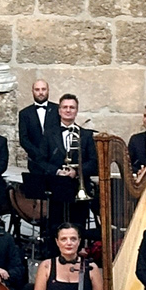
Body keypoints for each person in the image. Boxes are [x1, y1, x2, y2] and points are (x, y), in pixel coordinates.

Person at [45, 94, 98, 232]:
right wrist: (57, 171)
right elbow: (40, 160)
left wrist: (77, 171)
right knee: (55, 227)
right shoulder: (49, 134)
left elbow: (93, 163)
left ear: (76, 110)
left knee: (78, 226)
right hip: (57, 188)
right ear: (59, 110)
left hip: (78, 188)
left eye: (72, 107)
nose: (68, 110)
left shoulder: (86, 135)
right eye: (65, 107)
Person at [18, 79, 62, 201]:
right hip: (35, 163)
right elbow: (24, 139)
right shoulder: (24, 113)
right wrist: (38, 155)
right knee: (37, 200)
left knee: (56, 198)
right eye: (37, 90)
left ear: (48, 91)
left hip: (55, 163)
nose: (41, 92)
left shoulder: (58, 110)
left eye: (43, 89)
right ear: (32, 91)